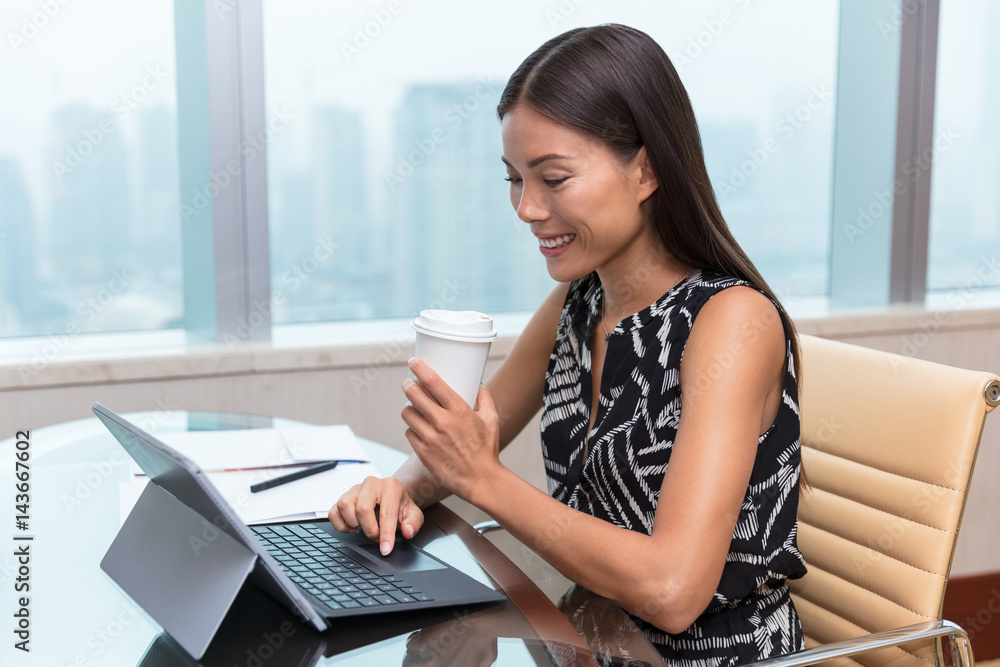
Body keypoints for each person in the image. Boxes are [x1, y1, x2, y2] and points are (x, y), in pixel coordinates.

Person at [330, 23, 807, 665]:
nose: (526, 208)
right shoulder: (577, 303)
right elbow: (475, 434)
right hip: (589, 640)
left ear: (646, 171)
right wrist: (398, 490)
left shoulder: (732, 322)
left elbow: (672, 592)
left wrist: (481, 479)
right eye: (514, 179)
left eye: (553, 179)